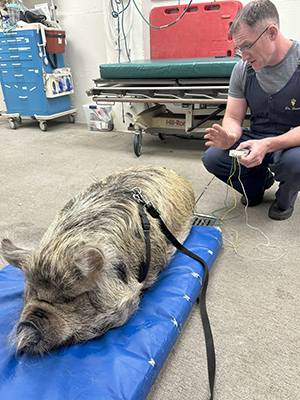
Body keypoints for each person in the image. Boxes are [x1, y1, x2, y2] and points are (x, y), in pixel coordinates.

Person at [202, 0, 300, 220]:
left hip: (292, 142)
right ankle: (257, 184)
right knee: (214, 157)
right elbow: (233, 116)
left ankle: (286, 197)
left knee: (296, 163)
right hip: (256, 136)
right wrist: (230, 135)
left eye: (247, 46)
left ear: (272, 33)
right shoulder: (242, 69)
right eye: (239, 49)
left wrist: (268, 145)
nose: (243, 56)